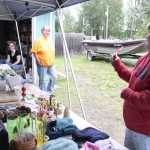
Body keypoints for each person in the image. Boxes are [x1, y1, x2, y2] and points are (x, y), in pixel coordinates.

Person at [112, 33, 150, 150]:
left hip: (144, 131)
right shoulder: (145, 57)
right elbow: (134, 78)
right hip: (131, 125)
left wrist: (127, 93)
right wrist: (118, 64)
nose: (147, 36)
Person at [32, 25, 57, 93]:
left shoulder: (50, 40)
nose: (48, 32)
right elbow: (34, 52)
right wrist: (38, 61)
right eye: (46, 30)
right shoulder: (38, 41)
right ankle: (42, 94)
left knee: (54, 77)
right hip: (42, 65)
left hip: (51, 64)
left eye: (49, 31)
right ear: (42, 31)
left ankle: (49, 91)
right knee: (42, 81)